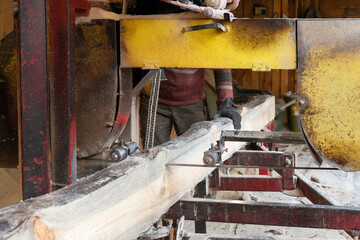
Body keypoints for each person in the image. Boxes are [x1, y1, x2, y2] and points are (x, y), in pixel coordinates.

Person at [140, 68, 241, 147]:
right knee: (152, 154)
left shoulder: (205, 41)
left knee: (195, 154)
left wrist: (226, 102)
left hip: (192, 104)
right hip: (154, 101)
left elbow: (220, 62)